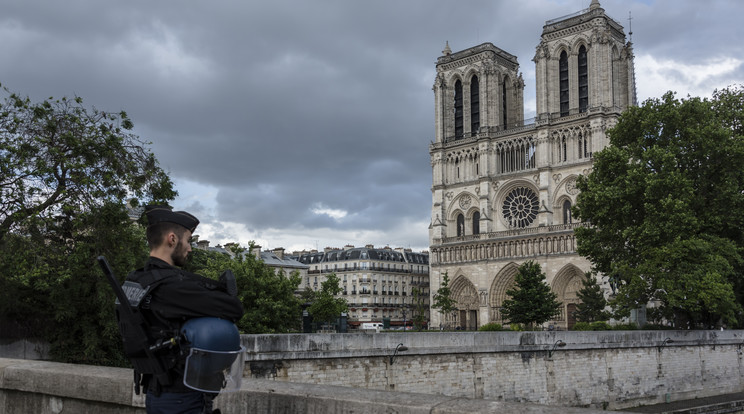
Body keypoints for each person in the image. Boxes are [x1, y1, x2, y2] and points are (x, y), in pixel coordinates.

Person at [125, 205, 244, 414]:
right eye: (188, 240)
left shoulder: (136, 281)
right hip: (182, 396)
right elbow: (234, 308)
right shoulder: (171, 287)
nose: (189, 248)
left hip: (156, 392)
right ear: (172, 239)